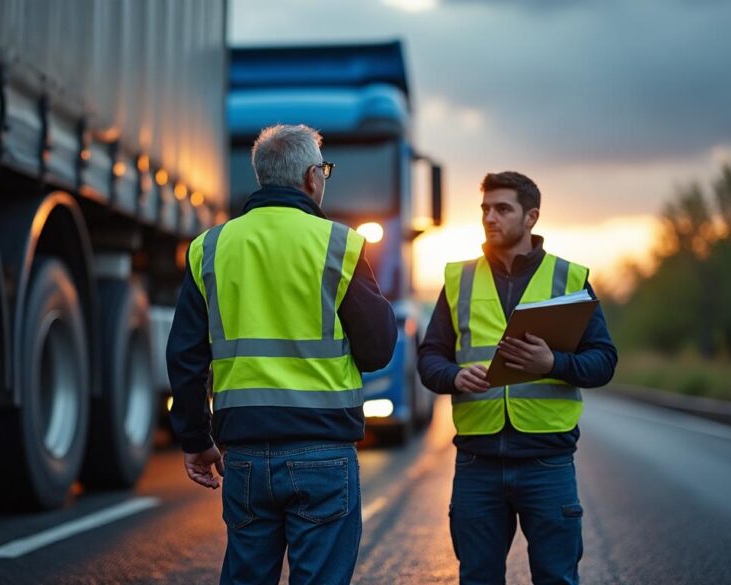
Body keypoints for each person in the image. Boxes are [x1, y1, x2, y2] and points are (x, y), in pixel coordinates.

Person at [167, 124, 397, 585]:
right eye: (325, 170)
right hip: (323, 453)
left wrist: (195, 440)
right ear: (313, 177)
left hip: (245, 455)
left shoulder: (210, 248)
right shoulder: (340, 244)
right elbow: (377, 351)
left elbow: (185, 358)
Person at [417, 171, 617, 585]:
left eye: (502, 209)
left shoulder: (568, 278)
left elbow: (604, 361)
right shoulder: (459, 279)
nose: (490, 218)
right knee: (478, 579)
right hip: (477, 463)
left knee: (556, 578)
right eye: (485, 209)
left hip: (547, 463)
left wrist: (554, 364)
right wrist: (454, 377)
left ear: (531, 217)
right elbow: (429, 358)